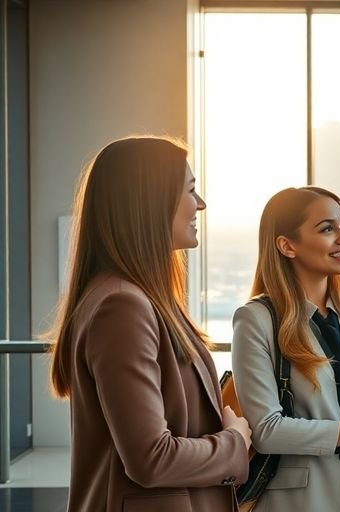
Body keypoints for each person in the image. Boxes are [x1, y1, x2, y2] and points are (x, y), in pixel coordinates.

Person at [48, 136, 251, 511]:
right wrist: (235, 442)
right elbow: (150, 458)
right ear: (149, 202)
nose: (201, 204)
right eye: (191, 190)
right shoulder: (122, 306)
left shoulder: (136, 298)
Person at [231, 186, 340, 512]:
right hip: (301, 501)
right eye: (327, 228)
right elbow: (267, 430)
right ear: (287, 245)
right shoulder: (256, 319)